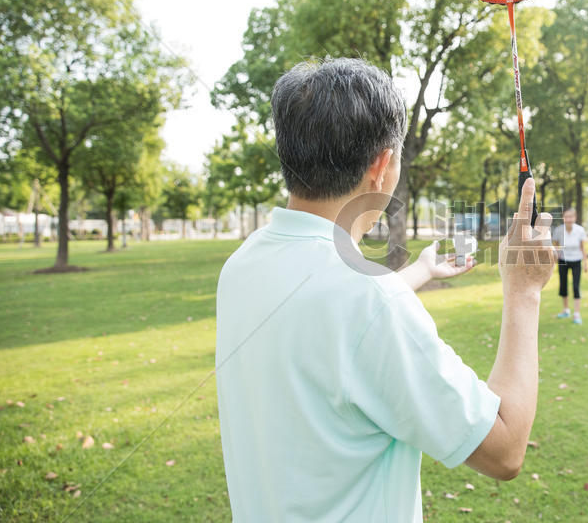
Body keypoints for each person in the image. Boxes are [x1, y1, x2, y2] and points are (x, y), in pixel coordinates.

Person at [215, 58, 556, 522]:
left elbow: (330, 311)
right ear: (381, 166)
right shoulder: (369, 301)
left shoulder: (245, 263)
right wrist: (524, 292)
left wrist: (419, 271)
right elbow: (505, 447)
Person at [551, 207, 588, 325]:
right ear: (563, 218)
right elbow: (556, 246)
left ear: (575, 218)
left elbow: (583, 248)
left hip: (577, 260)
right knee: (563, 286)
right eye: (566, 217)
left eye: (570, 217)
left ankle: (576, 314)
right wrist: (555, 256)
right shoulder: (558, 230)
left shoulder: (580, 230)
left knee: (576, 287)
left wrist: (586, 263)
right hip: (563, 260)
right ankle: (566, 310)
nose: (568, 219)